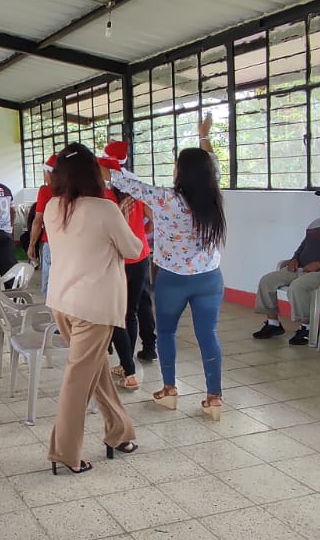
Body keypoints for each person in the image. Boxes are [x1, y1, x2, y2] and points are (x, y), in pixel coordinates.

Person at [109, 113, 227, 421]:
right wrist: (204, 135)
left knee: (167, 332)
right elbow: (213, 165)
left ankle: (170, 390)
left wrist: (112, 159)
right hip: (209, 279)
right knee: (209, 335)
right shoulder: (213, 197)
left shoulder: (164, 198)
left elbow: (122, 181)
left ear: (181, 172)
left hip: (172, 280)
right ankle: (214, 397)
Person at [44, 143, 142, 475]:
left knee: (96, 372)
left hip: (62, 303)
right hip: (94, 309)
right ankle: (65, 452)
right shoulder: (105, 209)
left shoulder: (53, 207)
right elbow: (133, 249)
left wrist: (117, 220)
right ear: (92, 174)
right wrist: (122, 219)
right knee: (78, 382)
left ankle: (119, 433)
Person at [252, 186, 320, 346]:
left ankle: (307, 328)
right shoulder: (316, 224)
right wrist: (294, 258)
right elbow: (304, 246)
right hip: (301, 268)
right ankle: (273, 324)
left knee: (298, 287)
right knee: (267, 281)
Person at [108, 176, 153, 391]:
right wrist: (143, 228)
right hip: (140, 257)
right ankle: (126, 364)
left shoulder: (108, 200)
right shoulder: (138, 197)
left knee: (116, 315)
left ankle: (129, 370)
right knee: (130, 313)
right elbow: (153, 220)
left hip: (120, 261)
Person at [27, 154, 59, 296]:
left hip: (51, 242)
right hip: (72, 243)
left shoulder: (45, 191)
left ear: (50, 173)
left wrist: (32, 245)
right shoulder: (74, 190)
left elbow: (38, 220)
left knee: (49, 284)